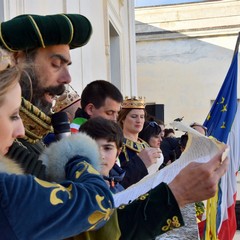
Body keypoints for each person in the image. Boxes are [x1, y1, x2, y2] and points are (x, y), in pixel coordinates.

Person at [0, 49, 114, 239]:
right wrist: (74, 154)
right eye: (13, 116)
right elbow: (99, 202)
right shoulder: (7, 192)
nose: (20, 131)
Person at [0, 13, 93, 178]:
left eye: (67, 66)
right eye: (56, 64)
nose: (67, 78)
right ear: (16, 59)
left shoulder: (35, 137)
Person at [117, 96, 162, 188]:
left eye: (142, 117)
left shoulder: (145, 144)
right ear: (122, 119)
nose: (139, 121)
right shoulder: (118, 144)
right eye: (134, 117)